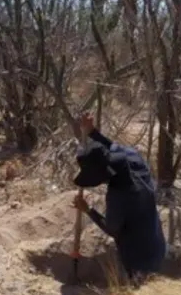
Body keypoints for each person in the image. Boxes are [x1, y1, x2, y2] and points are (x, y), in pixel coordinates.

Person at [71, 113, 167, 284]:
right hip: (157, 243)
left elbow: (112, 229)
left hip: (140, 260)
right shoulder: (133, 158)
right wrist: (92, 132)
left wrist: (88, 210)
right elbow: (112, 147)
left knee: (138, 291)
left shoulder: (119, 194)